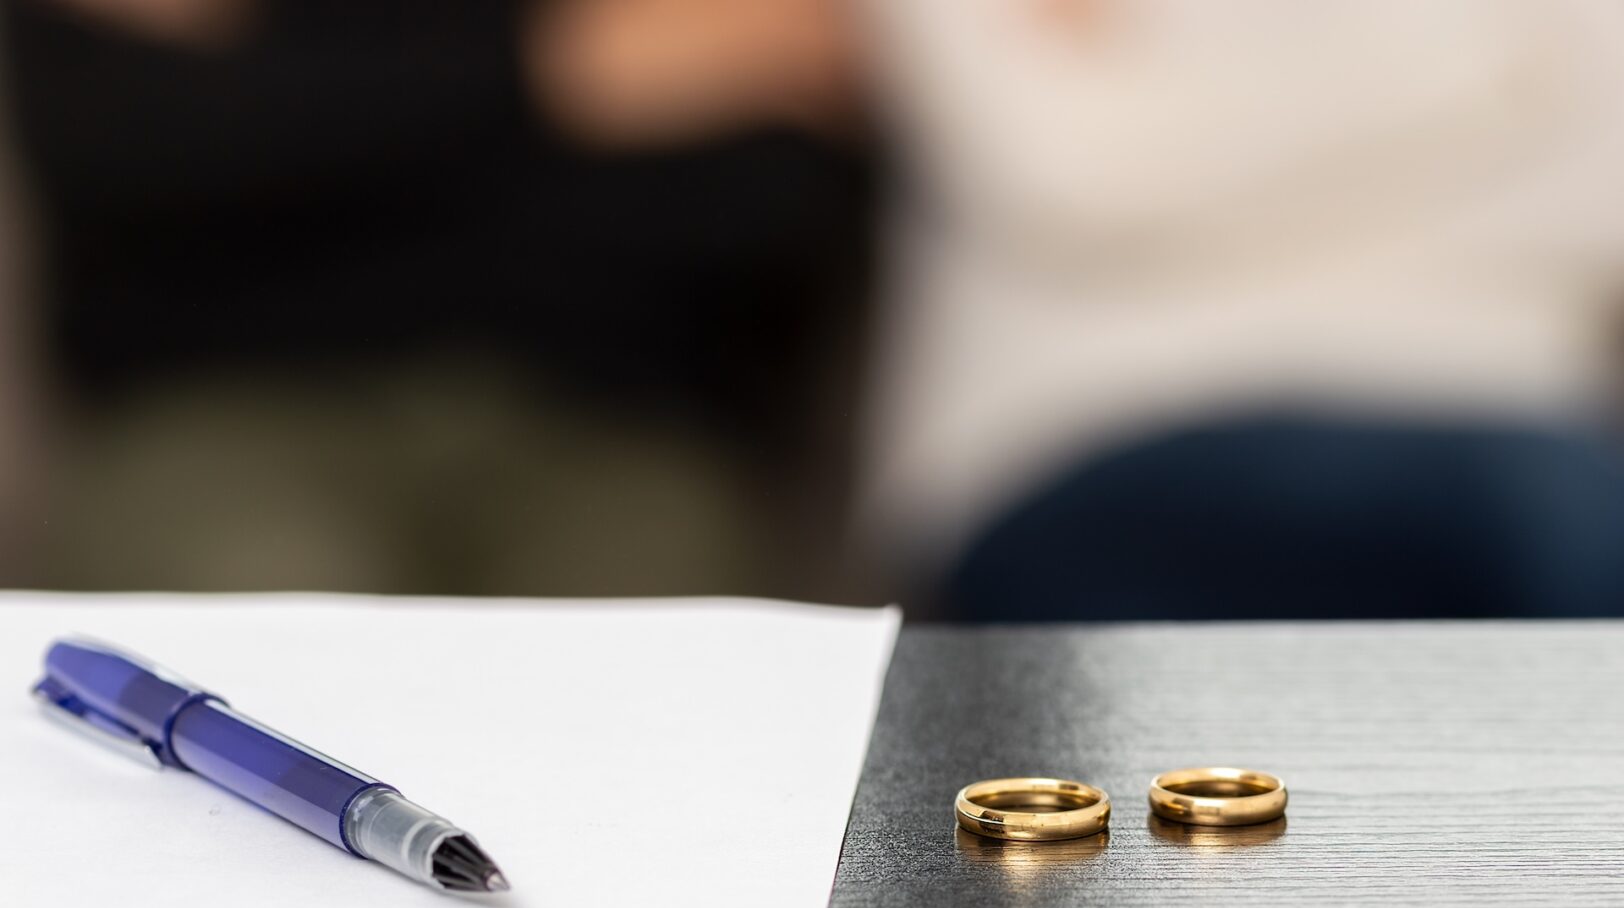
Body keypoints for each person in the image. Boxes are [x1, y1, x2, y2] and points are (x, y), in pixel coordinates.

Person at [0, 0, 871, 596]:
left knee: (653, 650)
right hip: (217, 410)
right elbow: (129, 148)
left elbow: (765, 206)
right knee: (281, 642)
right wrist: (557, 79)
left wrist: (310, 100)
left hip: (614, 423)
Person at [855, 0, 1624, 619]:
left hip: (1520, 420)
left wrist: (1194, 127)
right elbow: (1070, 169)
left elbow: (1600, 209)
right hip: (1097, 424)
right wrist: (1488, 75)